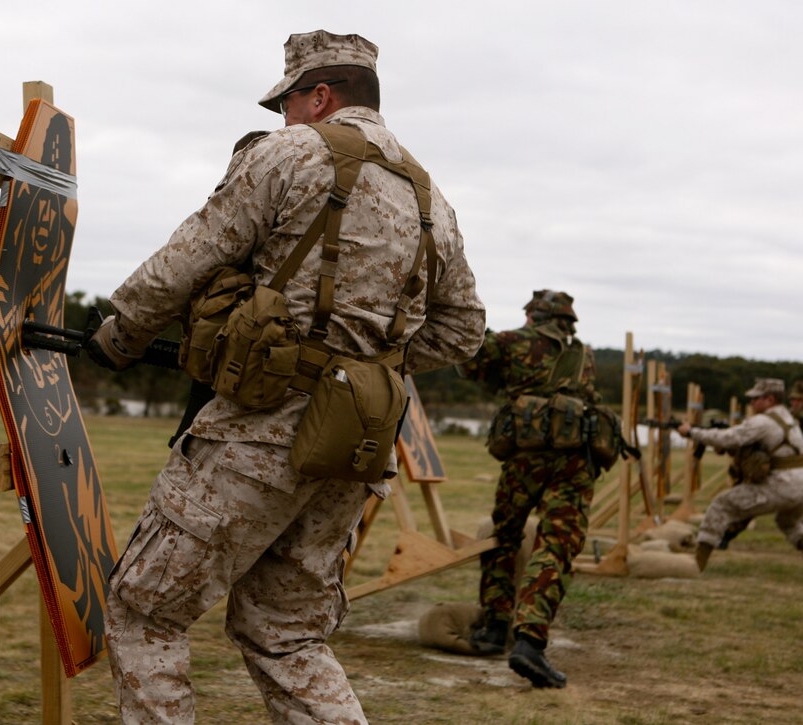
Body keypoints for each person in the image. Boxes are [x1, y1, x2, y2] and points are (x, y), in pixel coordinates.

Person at [86, 30, 485, 723]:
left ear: (321, 95)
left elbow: (189, 257)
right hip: (356, 442)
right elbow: (462, 330)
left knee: (144, 610)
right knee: (287, 631)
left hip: (262, 426)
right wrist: (361, 363)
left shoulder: (292, 154)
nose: (283, 116)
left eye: (289, 101)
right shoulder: (431, 200)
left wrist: (118, 336)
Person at [459, 290, 600, 689]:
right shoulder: (584, 355)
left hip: (524, 459)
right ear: (568, 321)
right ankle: (529, 641)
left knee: (504, 536)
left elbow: (470, 365)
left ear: (533, 316)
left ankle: (494, 626)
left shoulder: (511, 342)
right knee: (556, 544)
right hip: (574, 462)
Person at [679, 378, 803, 571]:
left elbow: (729, 438)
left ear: (770, 399)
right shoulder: (789, 419)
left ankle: (697, 564)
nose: (751, 403)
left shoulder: (763, 421)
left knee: (721, 505)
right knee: (788, 522)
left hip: (782, 484)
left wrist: (691, 432)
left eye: (756, 398)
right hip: (799, 487)